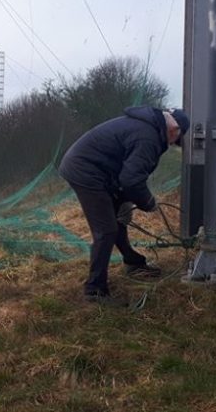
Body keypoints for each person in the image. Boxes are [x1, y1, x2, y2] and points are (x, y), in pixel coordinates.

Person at [59, 106, 189, 304]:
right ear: (173, 130)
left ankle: (133, 262)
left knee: (118, 218)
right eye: (175, 142)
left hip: (100, 172)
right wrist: (148, 202)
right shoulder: (148, 138)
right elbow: (131, 180)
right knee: (106, 230)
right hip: (86, 171)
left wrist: (126, 198)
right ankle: (94, 291)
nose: (171, 145)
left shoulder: (146, 127)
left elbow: (127, 174)